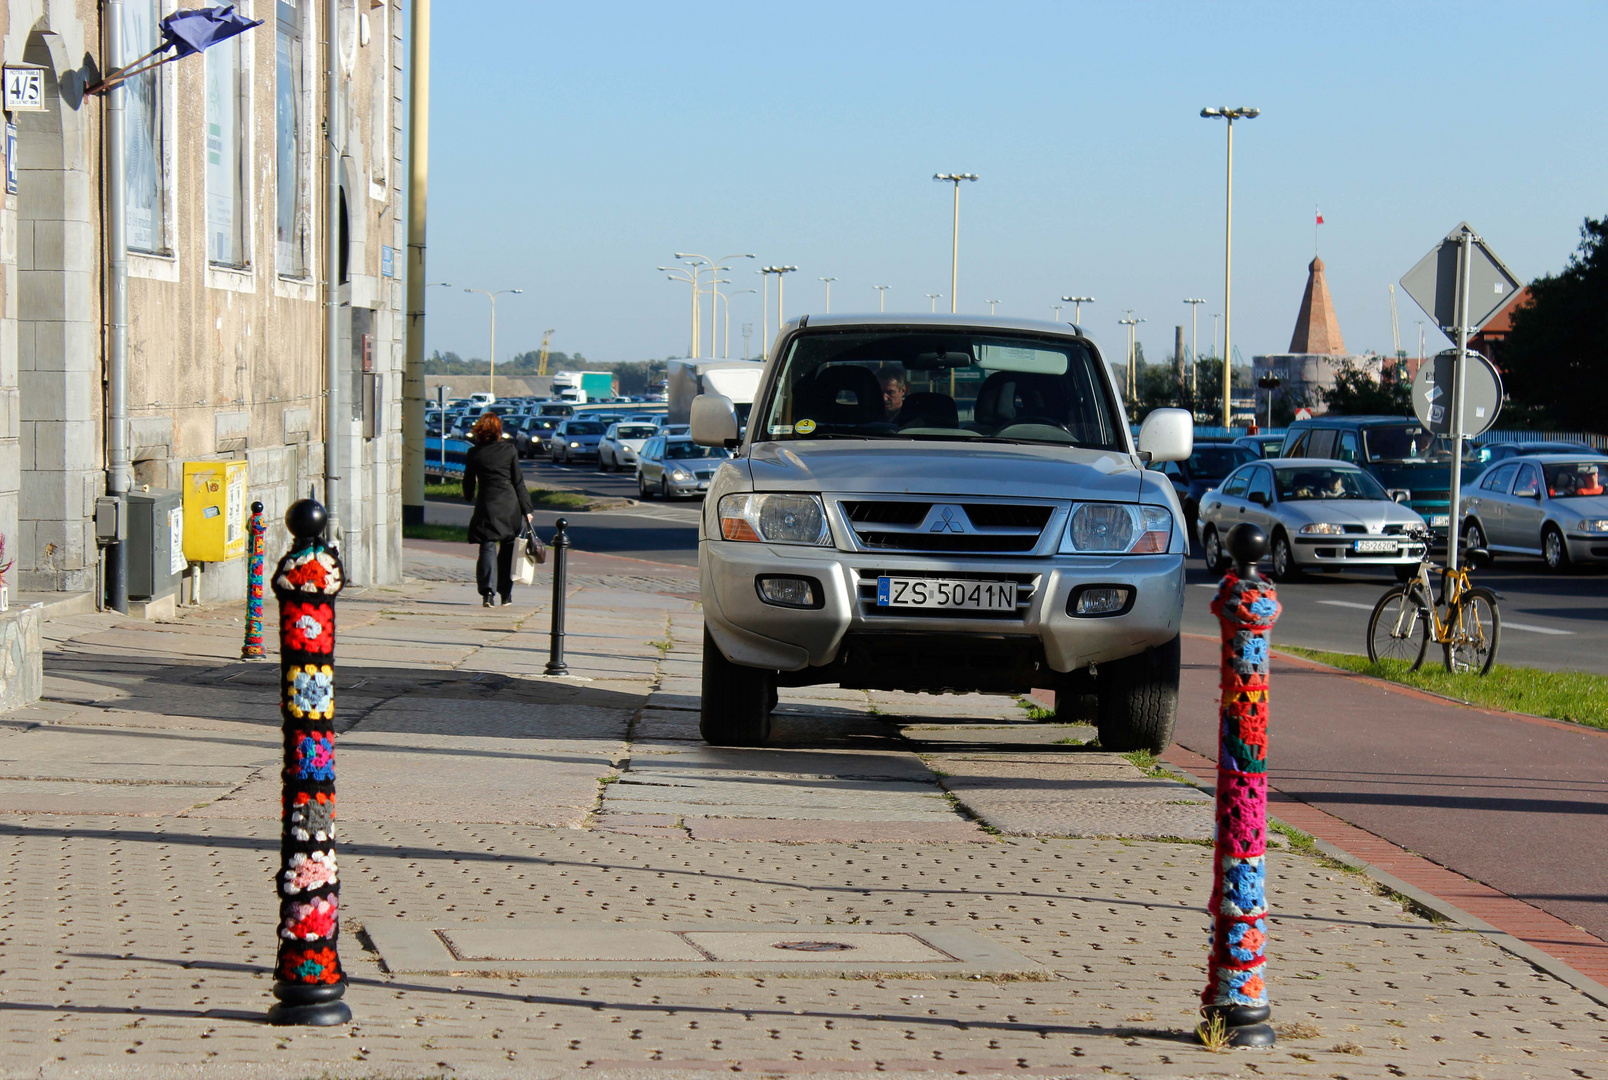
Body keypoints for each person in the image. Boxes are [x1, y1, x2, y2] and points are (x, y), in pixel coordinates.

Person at [462, 412, 535, 607]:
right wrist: (527, 508)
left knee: (487, 545)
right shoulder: (509, 450)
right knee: (509, 548)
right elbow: (518, 481)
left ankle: (488, 592)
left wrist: (468, 495)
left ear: (480, 431)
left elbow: (468, 481)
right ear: (498, 431)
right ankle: (506, 593)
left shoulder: (475, 453)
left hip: (487, 504)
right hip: (510, 505)